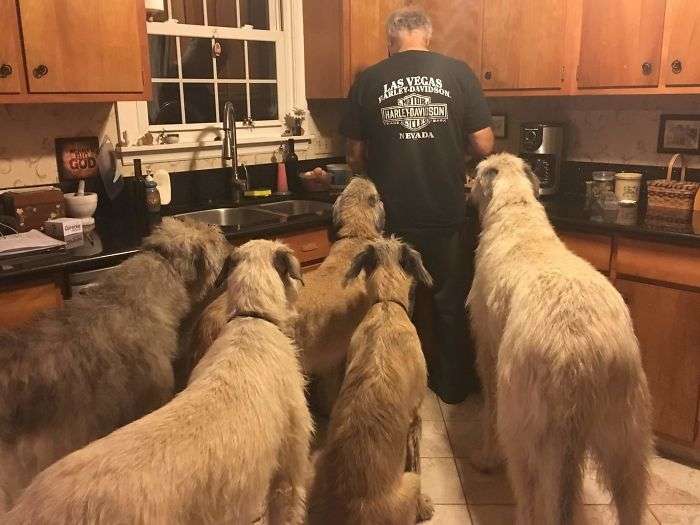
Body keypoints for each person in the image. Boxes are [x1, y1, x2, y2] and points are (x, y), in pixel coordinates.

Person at [340, 7, 494, 404]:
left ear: (391, 40)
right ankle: (451, 387)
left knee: (392, 303)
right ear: (427, 35)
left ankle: (392, 387)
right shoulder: (458, 73)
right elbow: (484, 145)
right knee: (448, 302)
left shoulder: (368, 80)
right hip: (444, 210)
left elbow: (355, 155)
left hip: (391, 216)